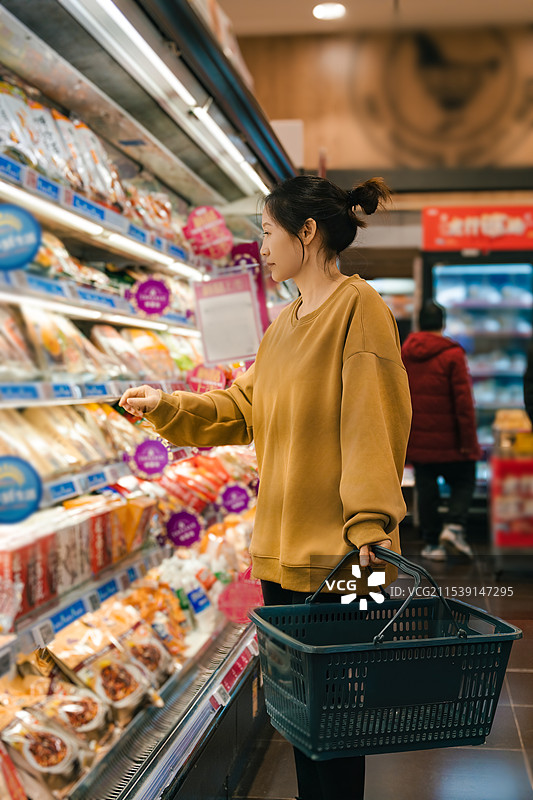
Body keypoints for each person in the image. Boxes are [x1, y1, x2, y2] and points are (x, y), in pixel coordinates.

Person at [119, 175, 412, 800]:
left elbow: (374, 420)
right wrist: (166, 405)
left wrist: (370, 525)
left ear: (307, 233)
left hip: (348, 559)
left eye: (268, 232)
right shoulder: (284, 324)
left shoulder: (359, 309)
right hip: (280, 555)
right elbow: (241, 407)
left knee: (337, 717)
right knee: (302, 715)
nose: (261, 247)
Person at [401, 300, 482, 561]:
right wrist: (469, 443)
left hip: (419, 438)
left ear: (419, 323)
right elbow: (463, 402)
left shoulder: (405, 352)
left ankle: (432, 544)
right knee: (465, 478)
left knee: (427, 489)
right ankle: (454, 526)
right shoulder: (453, 354)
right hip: (451, 440)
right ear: (443, 323)